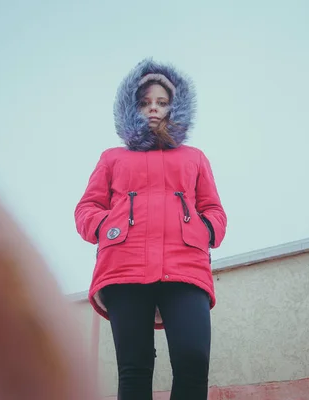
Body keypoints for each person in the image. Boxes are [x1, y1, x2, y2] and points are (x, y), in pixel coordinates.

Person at [74, 58, 227, 399]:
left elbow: (214, 210)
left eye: (161, 102)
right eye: (145, 103)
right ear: (131, 107)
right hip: (124, 268)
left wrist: (204, 230)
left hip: (185, 266)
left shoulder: (195, 157)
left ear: (175, 106)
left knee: (193, 358)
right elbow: (87, 209)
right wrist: (108, 227)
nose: (153, 109)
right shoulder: (112, 158)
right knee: (135, 367)